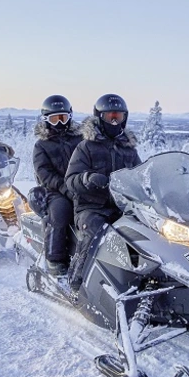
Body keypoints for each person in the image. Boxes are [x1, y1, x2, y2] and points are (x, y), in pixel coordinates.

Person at [65, 94, 141, 290]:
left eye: (119, 117)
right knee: (96, 232)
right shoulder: (86, 147)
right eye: (110, 117)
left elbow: (141, 175)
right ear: (99, 117)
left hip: (122, 207)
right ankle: (77, 280)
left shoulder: (129, 150)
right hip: (91, 207)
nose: (115, 121)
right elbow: (70, 179)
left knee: (147, 232)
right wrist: (87, 179)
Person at [32, 95, 83, 276]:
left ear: (70, 116)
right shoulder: (42, 145)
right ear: (46, 120)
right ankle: (54, 258)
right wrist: (64, 187)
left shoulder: (80, 139)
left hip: (80, 186)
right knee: (61, 212)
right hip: (54, 190)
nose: (60, 123)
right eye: (55, 119)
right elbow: (44, 172)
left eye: (63, 117)